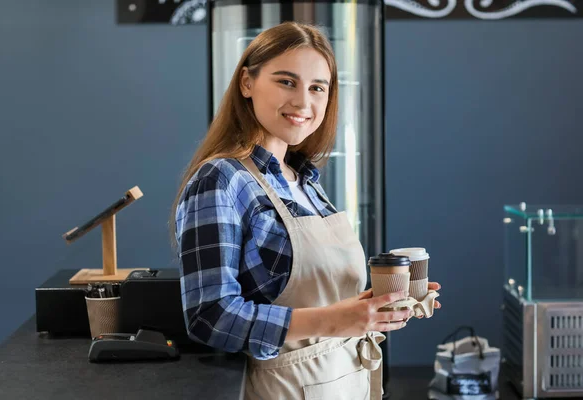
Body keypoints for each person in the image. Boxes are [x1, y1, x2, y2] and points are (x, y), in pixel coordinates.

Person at [171, 21, 441, 400]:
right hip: (284, 387)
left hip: (348, 378)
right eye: (286, 82)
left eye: (318, 88)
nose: (303, 102)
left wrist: (377, 306)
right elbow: (209, 316)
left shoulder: (305, 180)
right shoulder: (221, 179)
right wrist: (335, 320)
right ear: (247, 83)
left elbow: (323, 301)